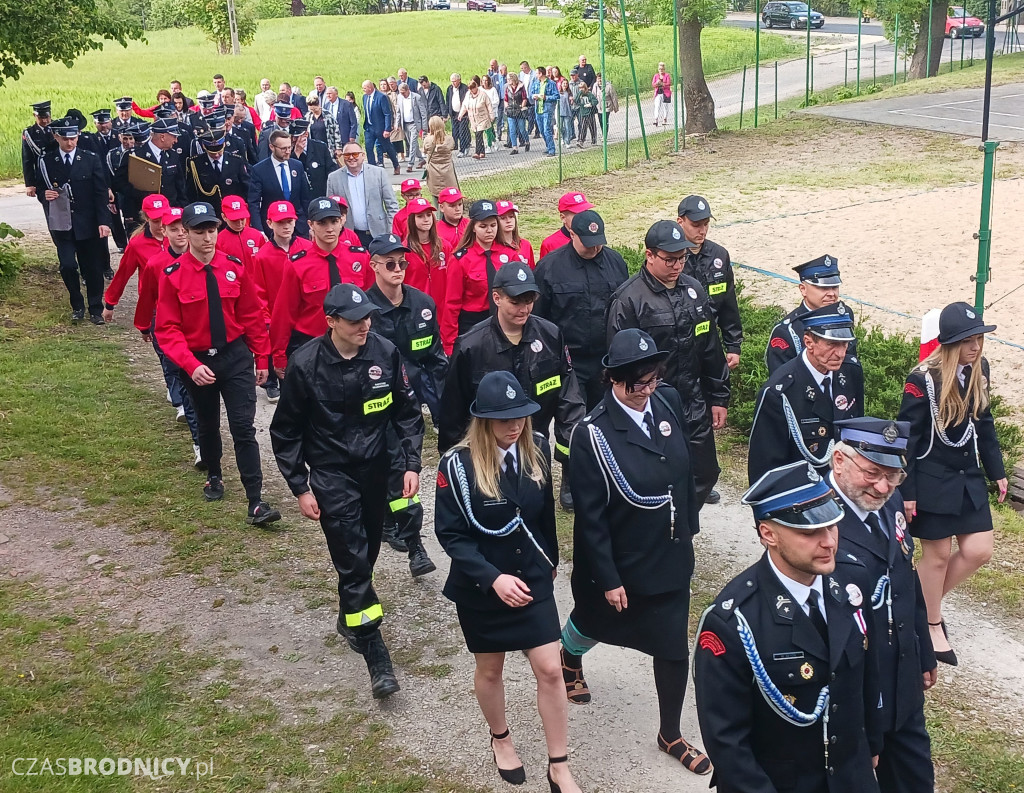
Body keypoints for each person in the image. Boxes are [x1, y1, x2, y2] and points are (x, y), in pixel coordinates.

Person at [559, 329, 709, 777]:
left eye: (652, 379)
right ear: (613, 381)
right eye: (636, 384)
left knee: (673, 647)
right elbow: (590, 516)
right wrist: (607, 577)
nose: (646, 390)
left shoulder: (667, 403)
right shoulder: (593, 434)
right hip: (621, 559)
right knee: (592, 622)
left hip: (668, 554)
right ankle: (570, 656)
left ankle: (670, 733)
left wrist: (689, 529)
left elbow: (683, 473)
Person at [270, 282, 424, 699]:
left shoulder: (384, 353)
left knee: (369, 549)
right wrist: (301, 487)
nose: (365, 325)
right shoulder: (305, 365)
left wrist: (410, 463)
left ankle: (348, 613)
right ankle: (373, 647)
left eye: (368, 318)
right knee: (353, 557)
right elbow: (285, 432)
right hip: (331, 474)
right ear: (331, 321)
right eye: (355, 320)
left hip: (377, 471)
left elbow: (407, 414)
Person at [434, 370, 584, 793]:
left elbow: (544, 516)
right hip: (484, 584)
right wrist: (492, 578)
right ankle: (501, 739)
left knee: (551, 670)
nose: (515, 425)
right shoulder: (457, 466)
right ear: (484, 420)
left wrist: (550, 561)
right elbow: (451, 534)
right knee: (491, 668)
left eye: (520, 415)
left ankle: (559, 766)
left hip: (532, 577)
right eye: (504, 419)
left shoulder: (536, 447)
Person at [694, 461, 882, 793]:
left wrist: (872, 747)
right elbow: (726, 741)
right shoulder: (733, 620)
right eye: (810, 532)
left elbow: (866, 672)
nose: (828, 542)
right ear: (769, 534)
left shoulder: (852, 580)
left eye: (832, 526)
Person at [155, 202, 281, 525]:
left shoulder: (235, 267)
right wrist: (189, 364)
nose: (208, 238)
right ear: (185, 232)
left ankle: (255, 499)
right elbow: (167, 329)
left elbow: (252, 315)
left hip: (235, 357)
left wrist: (261, 357)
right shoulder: (173, 276)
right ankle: (214, 473)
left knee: (243, 426)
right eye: (199, 231)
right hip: (197, 361)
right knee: (209, 423)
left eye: (211, 230)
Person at [829, 418, 937, 793]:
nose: (882, 486)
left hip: (901, 680)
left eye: (893, 476)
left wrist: (923, 650)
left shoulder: (889, 501)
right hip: (851, 688)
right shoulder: (813, 517)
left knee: (915, 780)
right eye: (872, 473)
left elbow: (905, 582)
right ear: (839, 460)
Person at [898, 302, 1007, 666]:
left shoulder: (981, 369)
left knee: (979, 550)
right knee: (938, 554)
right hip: (932, 478)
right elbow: (909, 441)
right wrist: (907, 491)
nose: (975, 348)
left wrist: (997, 470)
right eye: (967, 341)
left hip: (967, 476)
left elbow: (985, 423)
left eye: (979, 339)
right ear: (948, 343)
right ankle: (930, 623)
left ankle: (912, 606)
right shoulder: (922, 380)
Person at [438, 261, 584, 514]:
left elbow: (567, 393)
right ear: (497, 297)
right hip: (486, 450)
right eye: (516, 301)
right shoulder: (472, 346)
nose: (524, 308)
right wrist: (452, 459)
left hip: (533, 446)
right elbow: (454, 407)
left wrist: (575, 438)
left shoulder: (550, 336)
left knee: (536, 512)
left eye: (529, 300)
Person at [607, 220, 730, 507]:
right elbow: (619, 363)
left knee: (705, 471)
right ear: (649, 255)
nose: (678, 266)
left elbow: (710, 347)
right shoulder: (628, 300)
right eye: (670, 259)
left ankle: (687, 519)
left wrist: (720, 396)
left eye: (682, 258)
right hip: (652, 401)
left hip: (694, 399)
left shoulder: (694, 290)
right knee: (657, 474)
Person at [364, 233, 445, 572]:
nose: (398, 269)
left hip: (410, 407)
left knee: (404, 468)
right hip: (376, 404)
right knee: (382, 468)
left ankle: (415, 547)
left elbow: (436, 358)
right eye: (390, 263)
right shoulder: (363, 311)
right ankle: (389, 524)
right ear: (374, 267)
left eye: (402, 262)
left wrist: (443, 406)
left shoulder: (423, 304)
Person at [748, 304, 864, 484]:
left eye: (845, 344)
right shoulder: (779, 392)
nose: (840, 353)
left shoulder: (850, 371)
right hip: (803, 494)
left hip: (845, 488)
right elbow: (765, 469)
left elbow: (857, 428)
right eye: (832, 344)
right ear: (809, 342)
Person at [533, 209, 628, 409]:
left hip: (606, 359)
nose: (594, 248)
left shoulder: (616, 263)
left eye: (598, 242)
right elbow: (537, 319)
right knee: (571, 418)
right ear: (572, 234)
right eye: (588, 243)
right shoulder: (549, 268)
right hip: (569, 361)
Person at [132, 204, 204, 467]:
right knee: (181, 381)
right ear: (165, 231)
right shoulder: (157, 264)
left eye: (182, 229)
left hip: (201, 333)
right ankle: (199, 445)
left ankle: (206, 438)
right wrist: (143, 325)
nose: (180, 234)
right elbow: (147, 297)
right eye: (173, 229)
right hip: (169, 331)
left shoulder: (207, 259)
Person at [271, 197, 371, 373]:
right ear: (311, 225)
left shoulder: (360, 258)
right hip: (313, 345)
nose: (330, 228)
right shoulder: (298, 264)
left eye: (334, 221)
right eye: (322, 223)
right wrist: (279, 353)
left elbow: (372, 303)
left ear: (341, 222)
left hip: (355, 343)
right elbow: (285, 311)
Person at [34, 117, 113, 324]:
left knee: (93, 267)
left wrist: (104, 222)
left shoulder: (90, 159)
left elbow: (100, 193)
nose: (70, 143)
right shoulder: (47, 161)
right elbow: (41, 187)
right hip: (63, 224)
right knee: (68, 265)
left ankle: (95, 308)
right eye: (65, 139)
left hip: (88, 222)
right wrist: (45, 195)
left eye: (74, 138)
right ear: (56, 137)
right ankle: (77, 304)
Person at [439, 199, 523, 354]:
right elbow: (452, 304)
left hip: (504, 320)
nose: (489, 230)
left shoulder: (510, 254)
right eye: (483, 226)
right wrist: (449, 345)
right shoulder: (461, 259)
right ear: (473, 228)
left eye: (493, 225)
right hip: (473, 323)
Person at [677, 195, 742, 370]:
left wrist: (733, 345)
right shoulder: (671, 259)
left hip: (711, 342)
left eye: (706, 224)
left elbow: (728, 302)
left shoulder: (719, 255)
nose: (702, 230)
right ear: (680, 221)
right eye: (696, 225)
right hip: (680, 345)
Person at [766, 255, 859, 374]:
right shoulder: (787, 331)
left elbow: (850, 363)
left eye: (835, 287)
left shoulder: (845, 314)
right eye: (823, 287)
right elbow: (780, 381)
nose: (831, 293)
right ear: (803, 289)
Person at [103, 193, 167, 324]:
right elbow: (123, 274)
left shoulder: (179, 237)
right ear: (146, 218)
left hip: (180, 300)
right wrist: (110, 304)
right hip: (154, 304)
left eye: (164, 218)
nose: (161, 224)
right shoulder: (137, 244)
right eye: (156, 220)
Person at [114, 117, 187, 230]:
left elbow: (180, 186)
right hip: (143, 215)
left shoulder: (173, 156)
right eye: (174, 136)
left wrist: (181, 209)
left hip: (169, 214)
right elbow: (119, 183)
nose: (176, 140)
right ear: (162, 137)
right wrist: (139, 194)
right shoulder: (135, 156)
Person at [325, 143, 398, 246]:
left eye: (355, 154)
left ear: (363, 155)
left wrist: (391, 231)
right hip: (349, 235)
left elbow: (392, 205)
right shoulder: (333, 178)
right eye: (347, 155)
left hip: (379, 233)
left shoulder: (379, 173)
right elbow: (331, 210)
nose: (351, 158)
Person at [247, 130, 312, 237]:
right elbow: (254, 202)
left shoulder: (297, 166)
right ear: (272, 147)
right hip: (273, 227)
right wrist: (259, 230)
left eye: (289, 147)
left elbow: (305, 198)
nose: (287, 151)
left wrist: (309, 223)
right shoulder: (259, 170)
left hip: (299, 226)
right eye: (283, 148)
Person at [402, 197, 451, 308]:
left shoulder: (445, 246)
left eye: (429, 215)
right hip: (416, 308)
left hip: (443, 308)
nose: (426, 219)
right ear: (411, 219)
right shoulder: (404, 250)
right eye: (420, 216)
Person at [185, 131, 250, 208]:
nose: (216, 155)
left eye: (219, 151)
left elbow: (247, 187)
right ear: (204, 146)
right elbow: (191, 192)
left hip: (233, 209)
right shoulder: (195, 163)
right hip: (209, 211)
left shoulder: (236, 161)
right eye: (212, 152)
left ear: (224, 144)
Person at [290, 119, 337, 200]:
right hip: (300, 197)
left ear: (306, 135)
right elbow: (289, 171)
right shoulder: (288, 150)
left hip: (320, 194)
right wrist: (296, 154)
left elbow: (331, 170)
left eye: (297, 137)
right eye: (292, 136)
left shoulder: (320, 147)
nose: (294, 139)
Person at [539, 191, 595, 259]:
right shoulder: (550, 244)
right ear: (563, 218)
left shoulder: (594, 237)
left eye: (585, 212)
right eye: (577, 215)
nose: (583, 218)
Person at [361, 80, 400, 175]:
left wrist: (387, 129)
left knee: (387, 146)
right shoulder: (365, 97)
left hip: (380, 128)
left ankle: (396, 164)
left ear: (370, 88)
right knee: (369, 147)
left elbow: (387, 113)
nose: (363, 90)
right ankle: (372, 169)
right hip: (369, 128)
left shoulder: (381, 97)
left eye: (365, 88)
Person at [423, 118, 458, 203]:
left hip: (433, 171)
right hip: (447, 171)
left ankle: (438, 214)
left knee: (436, 195)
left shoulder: (427, 140)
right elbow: (452, 147)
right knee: (449, 197)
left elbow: (424, 151)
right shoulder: (449, 139)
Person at [458, 79, 495, 161]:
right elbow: (464, 105)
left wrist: (492, 116)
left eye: (472, 88)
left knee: (479, 134)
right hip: (473, 119)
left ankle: (477, 152)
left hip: (483, 118)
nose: (471, 90)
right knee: (478, 134)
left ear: (476, 87)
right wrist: (461, 114)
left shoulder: (483, 94)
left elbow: (489, 105)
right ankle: (482, 152)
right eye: (470, 89)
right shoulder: (468, 95)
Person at [396, 82, 428, 171]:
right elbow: (398, 112)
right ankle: (421, 159)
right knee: (411, 143)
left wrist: (424, 126)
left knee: (413, 143)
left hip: (415, 123)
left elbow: (423, 112)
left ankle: (410, 164)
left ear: (408, 90)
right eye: (400, 93)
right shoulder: (399, 98)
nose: (402, 95)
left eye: (403, 93)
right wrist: (397, 124)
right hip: (405, 124)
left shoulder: (416, 97)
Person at [495, 201, 535, 269]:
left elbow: (532, 271)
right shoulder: (493, 247)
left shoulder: (525, 245)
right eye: (503, 218)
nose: (508, 221)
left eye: (511, 216)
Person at [531, 67, 559, 157]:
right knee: (542, 130)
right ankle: (548, 146)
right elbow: (531, 93)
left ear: (541, 74)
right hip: (538, 109)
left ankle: (552, 149)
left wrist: (546, 97)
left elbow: (556, 95)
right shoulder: (536, 83)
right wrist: (534, 96)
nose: (535, 75)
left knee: (547, 129)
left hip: (547, 109)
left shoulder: (551, 83)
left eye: (537, 73)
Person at [435, 186, 467, 251]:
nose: (457, 209)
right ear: (442, 207)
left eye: (460, 204)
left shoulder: (470, 225)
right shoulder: (436, 230)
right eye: (452, 206)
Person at [446, 73, 471, 157]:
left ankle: (462, 149)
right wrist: (448, 112)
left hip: (463, 114)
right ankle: (465, 144)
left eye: (455, 81)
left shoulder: (464, 88)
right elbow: (448, 100)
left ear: (459, 80)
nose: (453, 83)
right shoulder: (449, 89)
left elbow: (467, 101)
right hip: (454, 114)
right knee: (455, 132)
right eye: (452, 81)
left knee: (462, 132)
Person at [504, 74, 529, 154]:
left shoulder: (521, 87)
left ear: (513, 79)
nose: (507, 81)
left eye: (509, 79)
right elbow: (506, 99)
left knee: (522, 128)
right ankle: (515, 147)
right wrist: (507, 107)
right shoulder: (507, 88)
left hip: (519, 110)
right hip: (511, 111)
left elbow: (524, 98)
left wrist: (522, 106)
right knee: (512, 129)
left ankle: (527, 141)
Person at [573, 82, 598, 146]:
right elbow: (576, 101)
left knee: (592, 127)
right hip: (583, 112)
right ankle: (581, 141)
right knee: (583, 127)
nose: (581, 89)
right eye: (580, 88)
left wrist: (591, 104)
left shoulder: (589, 94)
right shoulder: (580, 94)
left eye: (582, 88)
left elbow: (595, 101)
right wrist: (579, 93)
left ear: (585, 87)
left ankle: (594, 140)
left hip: (590, 112)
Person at [480, 74, 500, 152]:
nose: (485, 82)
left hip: (492, 113)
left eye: (486, 80)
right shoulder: (480, 90)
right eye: (483, 80)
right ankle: (494, 140)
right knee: (486, 129)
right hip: (482, 113)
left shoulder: (493, 90)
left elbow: (496, 101)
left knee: (488, 129)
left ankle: (489, 145)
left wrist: (489, 105)